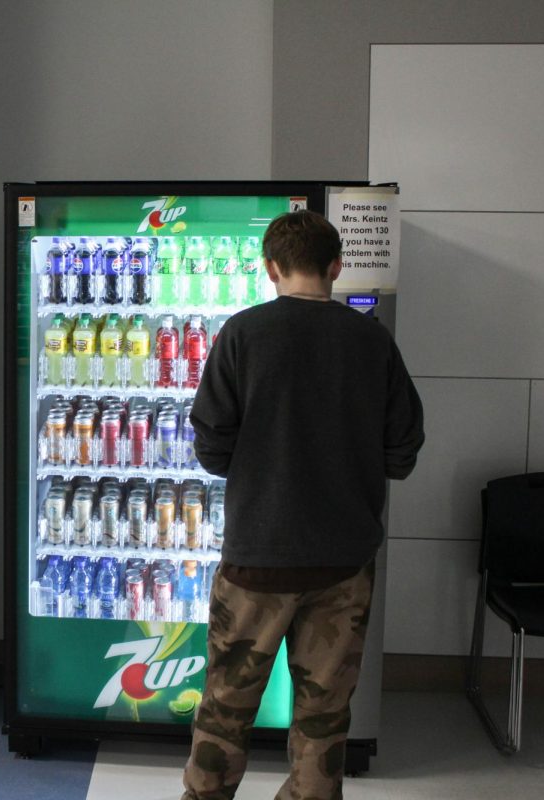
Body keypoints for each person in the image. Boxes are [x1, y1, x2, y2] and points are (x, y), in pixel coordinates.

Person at [182, 210, 424, 800]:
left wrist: (262, 468)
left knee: (226, 709)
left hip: (255, 561)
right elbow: (404, 449)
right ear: (337, 266)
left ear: (270, 269)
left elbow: (210, 444)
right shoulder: (372, 340)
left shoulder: (241, 333)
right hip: (342, 565)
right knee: (323, 720)